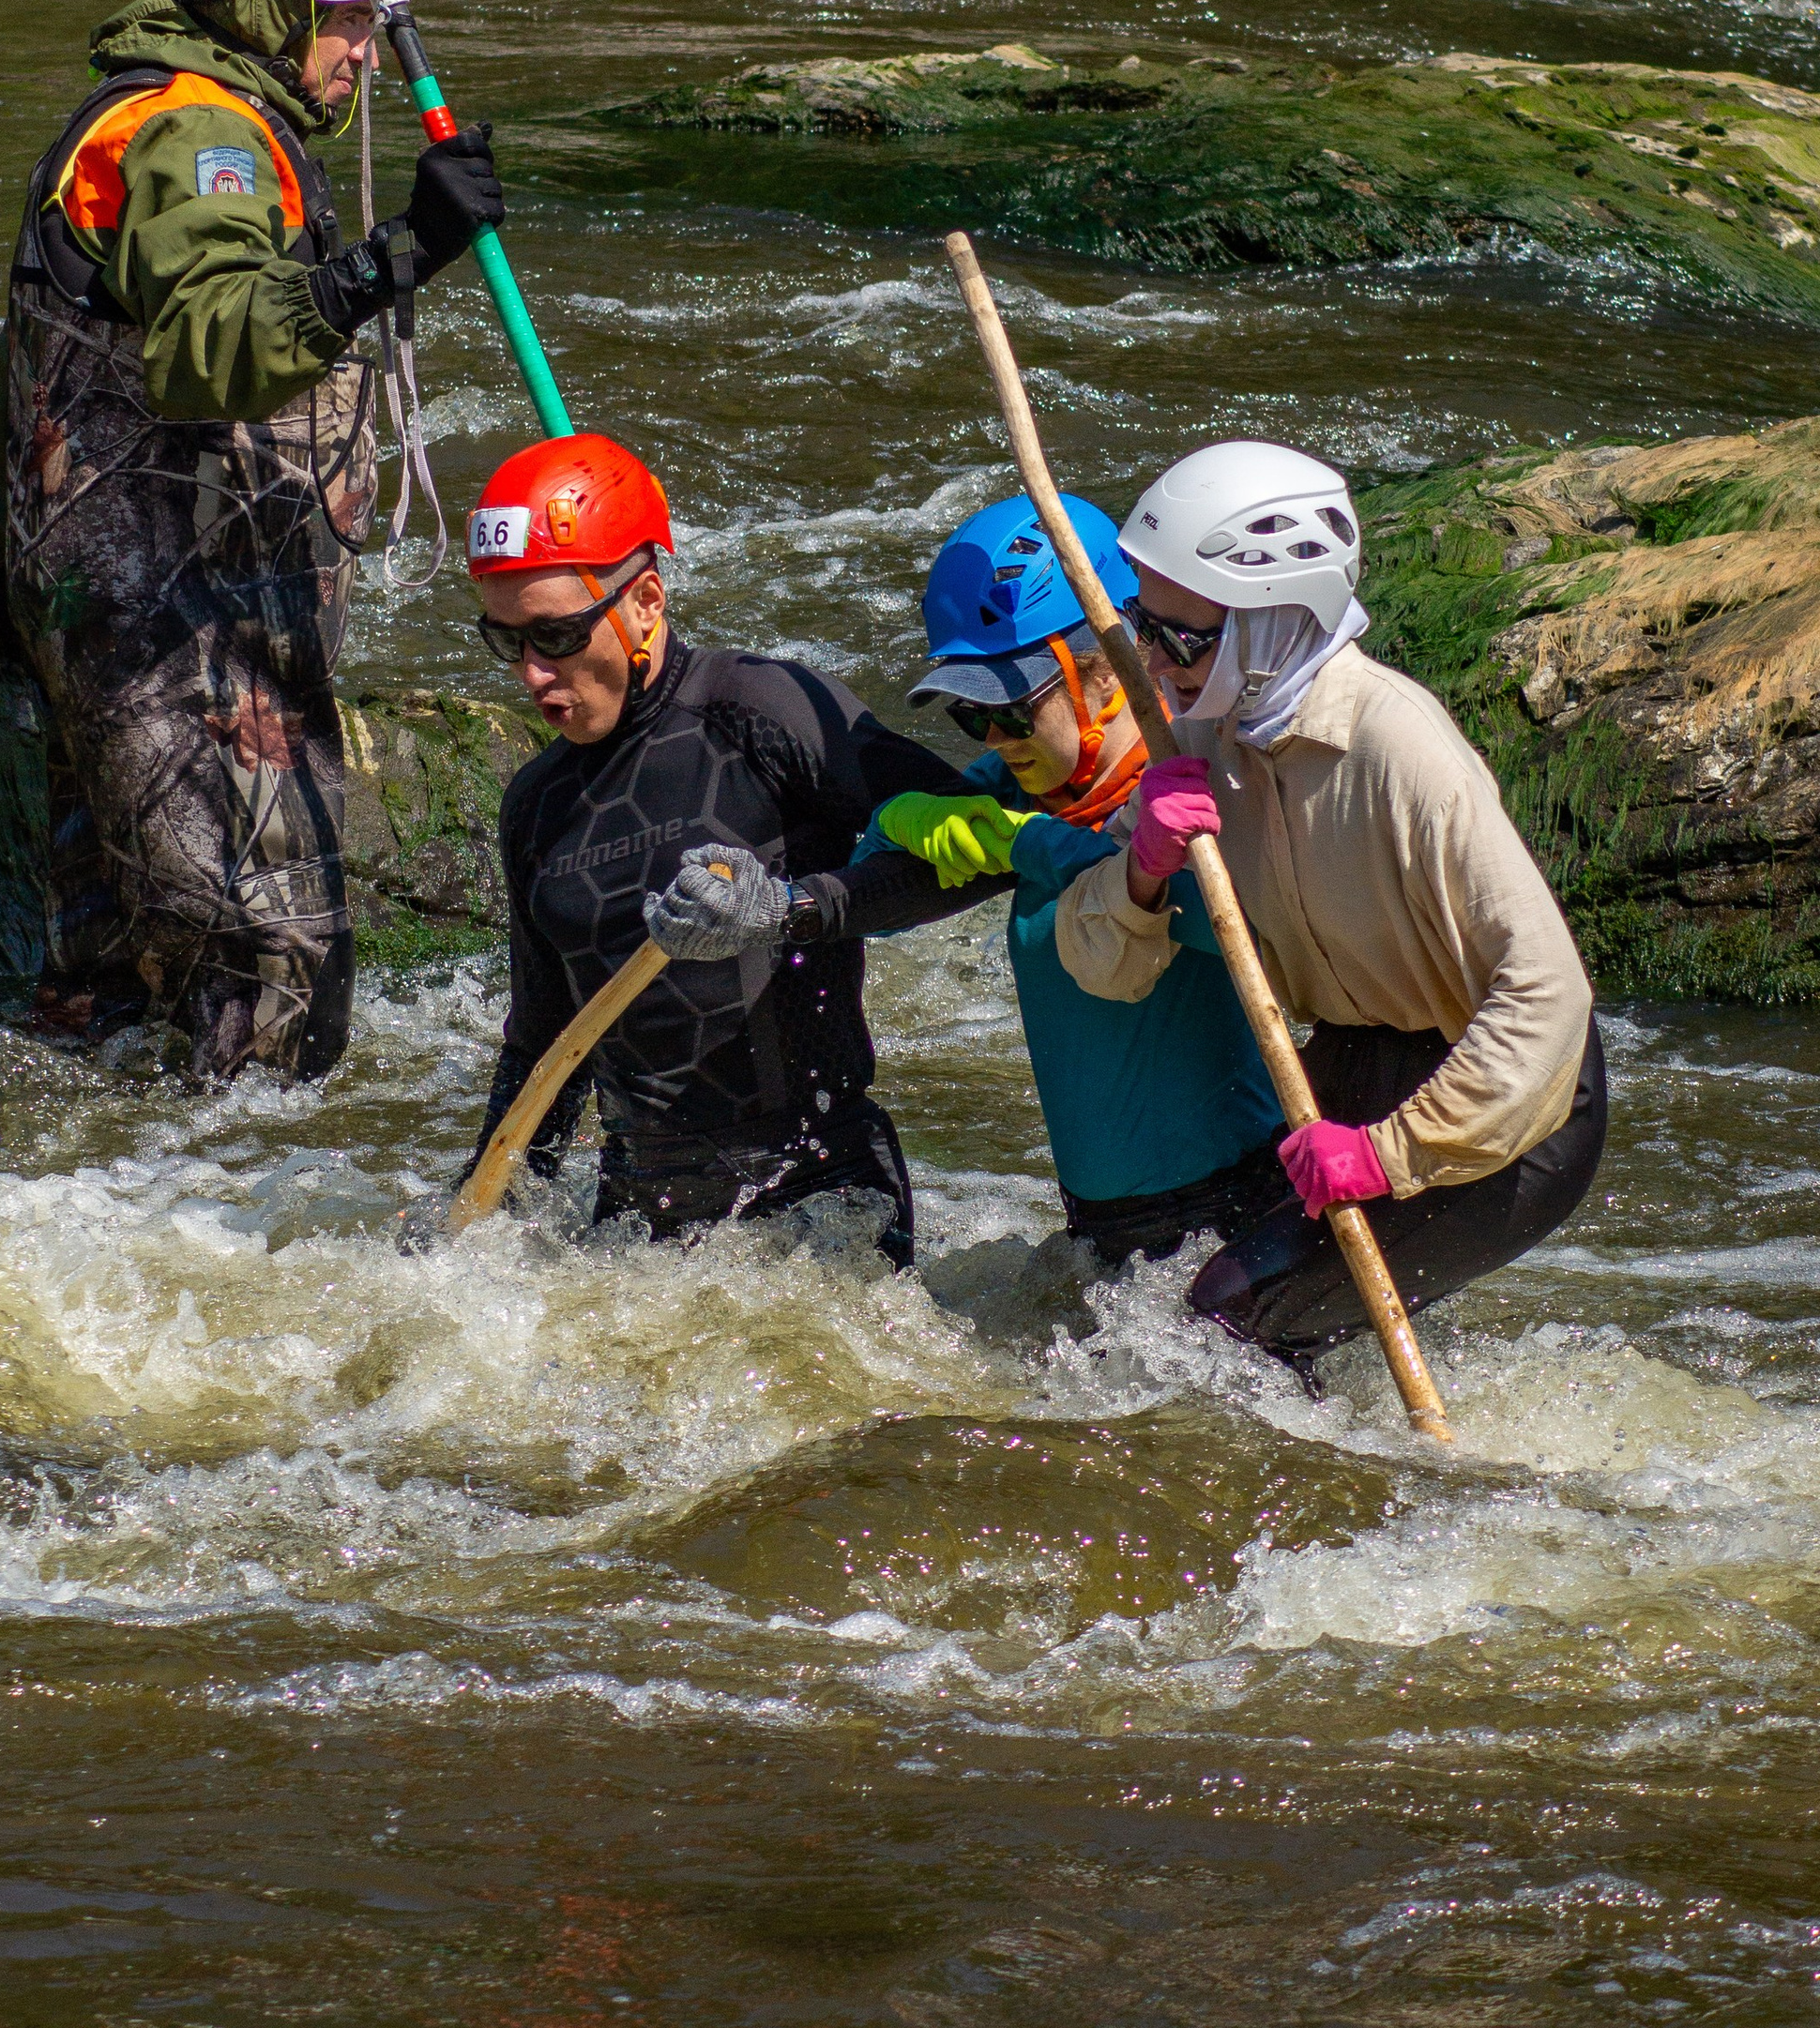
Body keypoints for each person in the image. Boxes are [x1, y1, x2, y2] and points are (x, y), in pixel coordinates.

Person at [0, 0, 504, 1082]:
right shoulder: (196, 139)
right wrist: (402, 254)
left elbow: (25, 371)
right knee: (267, 1001)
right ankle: (238, 1252)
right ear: (265, 6)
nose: (360, 49)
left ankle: (113, 1228)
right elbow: (206, 347)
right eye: (344, 17)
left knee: (117, 1021)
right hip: (177, 658)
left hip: (142, 647)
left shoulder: (193, 127)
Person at [1053, 439, 1606, 1368]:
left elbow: (1550, 1001)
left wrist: (1391, 1153)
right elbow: (1097, 964)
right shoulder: (1200, 734)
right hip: (1350, 1071)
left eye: (1180, 637)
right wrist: (1142, 865)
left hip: (1510, 1106)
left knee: (1222, 1321)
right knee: (1158, 1286)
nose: (1148, 659)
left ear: (1276, 622)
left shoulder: (1397, 747)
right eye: (1142, 623)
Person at [465, 432, 974, 1264]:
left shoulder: (763, 710)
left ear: (646, 601)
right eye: (505, 640)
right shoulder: (534, 806)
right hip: (635, 1213)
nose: (530, 674)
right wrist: (475, 1223)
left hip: (817, 1187)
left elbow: (982, 844)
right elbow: (540, 1042)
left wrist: (788, 908)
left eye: (554, 636)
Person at [840, 494, 1291, 1267]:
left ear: (1108, 672)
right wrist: (904, 817)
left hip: (1229, 1213)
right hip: (1102, 1228)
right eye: (968, 713)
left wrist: (1035, 846)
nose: (993, 736)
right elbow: (872, 910)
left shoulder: (1187, 796)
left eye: (1012, 709)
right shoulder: (1025, 786)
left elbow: (1224, 927)